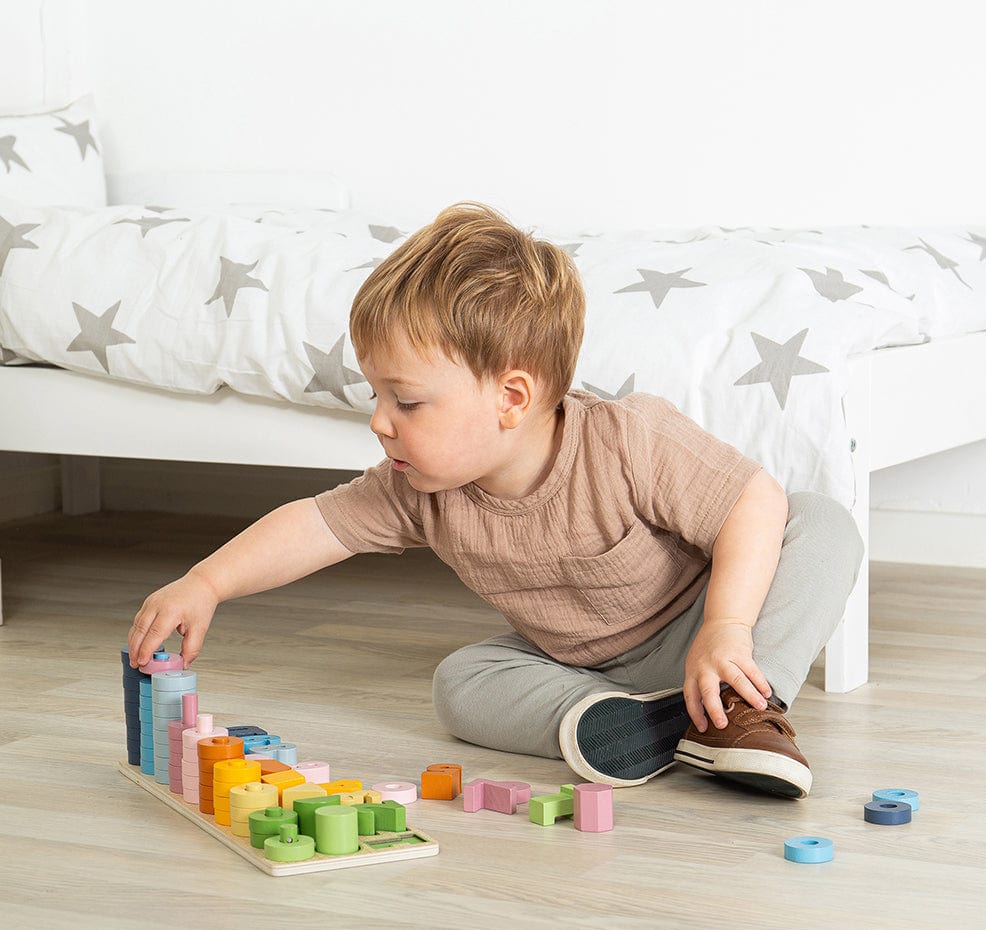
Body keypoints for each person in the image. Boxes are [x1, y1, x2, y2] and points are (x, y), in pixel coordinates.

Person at [129, 203, 863, 799]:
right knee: (462, 683)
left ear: (512, 397)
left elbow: (752, 503)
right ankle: (629, 725)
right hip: (578, 669)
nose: (380, 421)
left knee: (820, 524)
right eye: (377, 395)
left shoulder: (629, 440)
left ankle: (743, 708)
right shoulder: (418, 488)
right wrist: (208, 581)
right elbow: (317, 524)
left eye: (406, 401)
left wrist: (728, 626)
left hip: (702, 630)